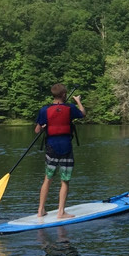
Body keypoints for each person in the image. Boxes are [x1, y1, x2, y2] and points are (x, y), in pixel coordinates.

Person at [36, 84, 86, 220]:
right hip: (66, 148)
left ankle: (41, 210)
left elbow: (37, 130)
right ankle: (61, 212)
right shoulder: (70, 108)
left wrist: (45, 126)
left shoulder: (44, 110)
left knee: (48, 178)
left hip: (51, 147)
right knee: (65, 180)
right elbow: (83, 114)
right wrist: (78, 101)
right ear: (64, 94)